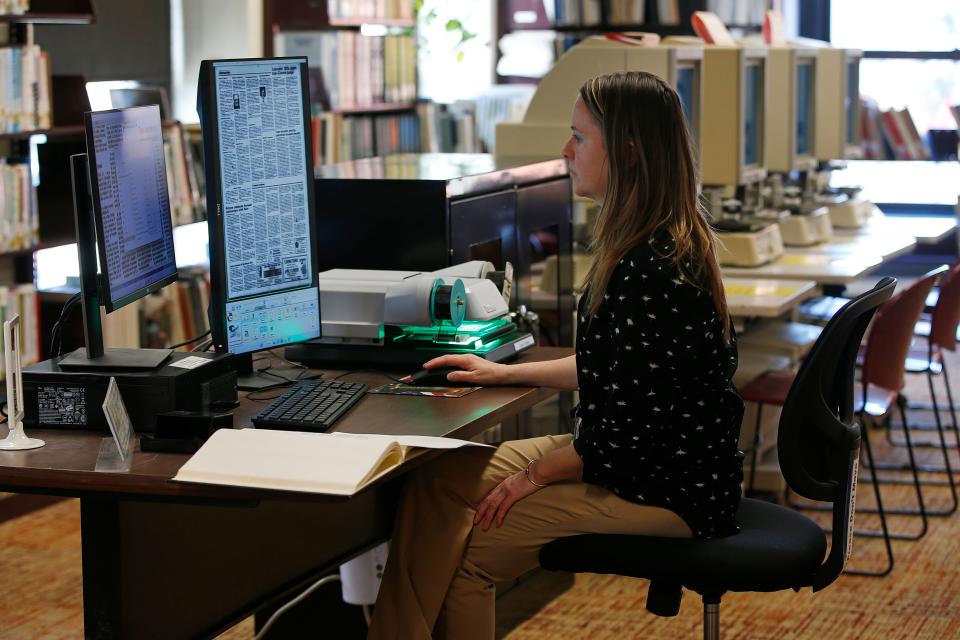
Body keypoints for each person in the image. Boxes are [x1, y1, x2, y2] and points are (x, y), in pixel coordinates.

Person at [366, 70, 744, 640]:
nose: (566, 150)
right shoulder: (649, 240)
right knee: (435, 480)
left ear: (628, 152)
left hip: (669, 488)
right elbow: (618, 372)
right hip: (629, 460)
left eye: (580, 137)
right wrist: (503, 371)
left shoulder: (653, 267)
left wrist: (534, 476)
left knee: (473, 551)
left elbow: (629, 428)